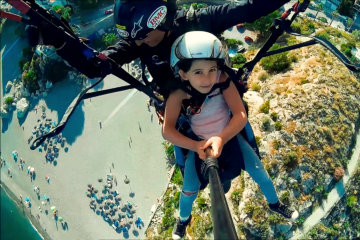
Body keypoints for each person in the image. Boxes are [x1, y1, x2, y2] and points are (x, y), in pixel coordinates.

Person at [162, 31, 299, 239]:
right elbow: (168, 131)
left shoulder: (223, 80)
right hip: (201, 145)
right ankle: (183, 220)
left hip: (228, 136)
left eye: (212, 69)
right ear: (183, 74)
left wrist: (222, 138)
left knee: (261, 174)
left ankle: (275, 204)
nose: (207, 78)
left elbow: (240, 114)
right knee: (188, 191)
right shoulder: (179, 94)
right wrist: (195, 146)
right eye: (198, 72)